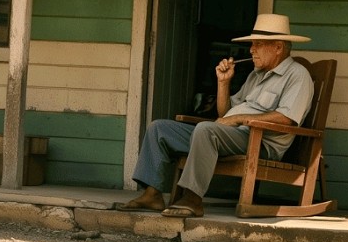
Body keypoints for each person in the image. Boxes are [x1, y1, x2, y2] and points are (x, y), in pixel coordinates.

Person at [116, 13, 314, 218]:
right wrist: (223, 82)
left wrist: (238, 119)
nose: (251, 50)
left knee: (206, 130)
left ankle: (192, 198)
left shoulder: (297, 75)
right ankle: (152, 194)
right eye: (252, 44)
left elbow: (287, 118)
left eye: (257, 44)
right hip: (230, 135)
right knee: (159, 128)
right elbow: (224, 113)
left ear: (278, 47)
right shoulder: (256, 75)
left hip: (259, 142)